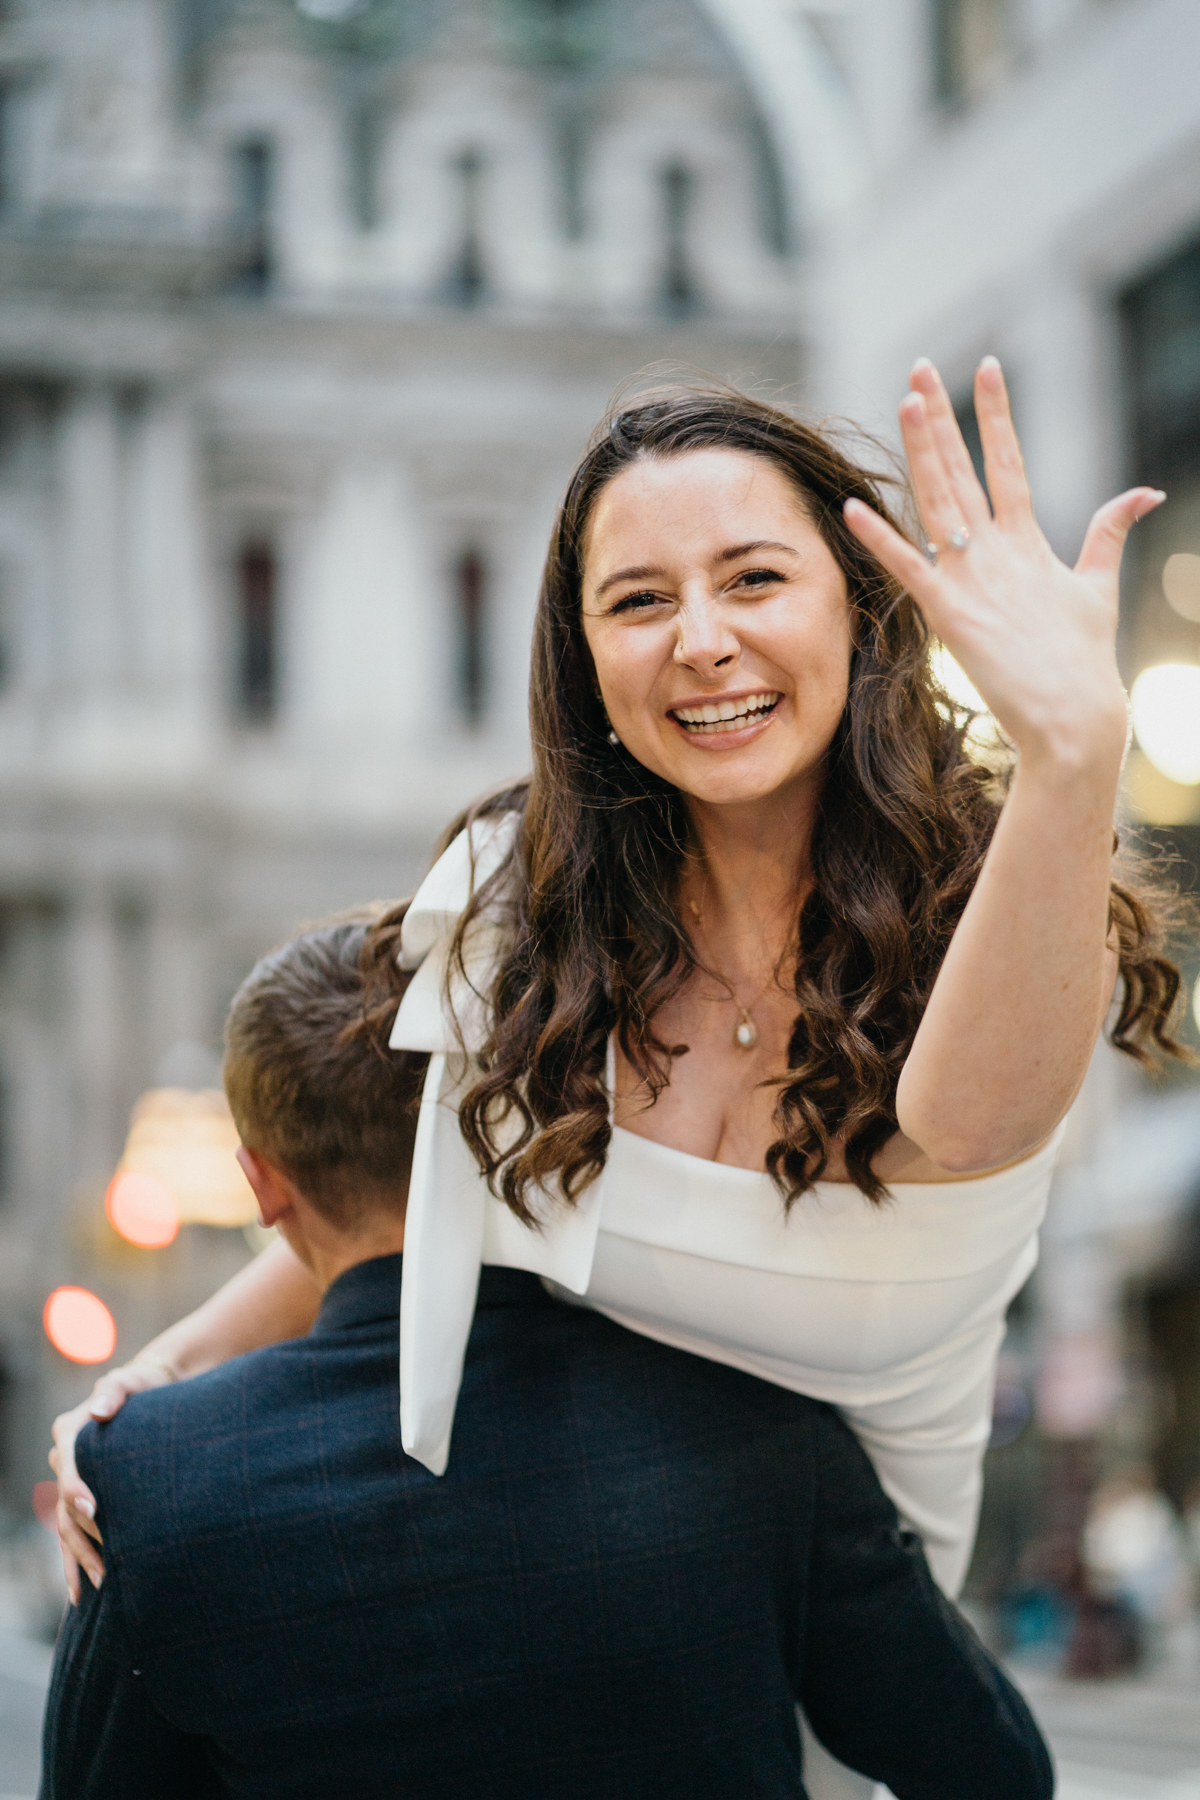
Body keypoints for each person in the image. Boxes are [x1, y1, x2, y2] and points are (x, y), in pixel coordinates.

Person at [51, 363, 1186, 1795]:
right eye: (639, 601)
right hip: (575, 1629)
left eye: (754, 579)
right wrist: (142, 1387)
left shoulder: (1001, 898)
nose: (701, 642)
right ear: (582, 656)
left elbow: (966, 1125)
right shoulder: (505, 908)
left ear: (855, 605)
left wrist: (1072, 753)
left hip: (859, 1643)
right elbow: (409, 1200)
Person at [41, 913, 1055, 1800]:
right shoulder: (754, 1416)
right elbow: (992, 1769)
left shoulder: (150, 1485)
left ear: (261, 1187)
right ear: (509, 1113)